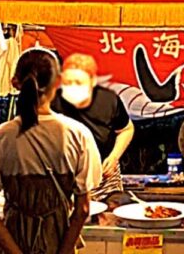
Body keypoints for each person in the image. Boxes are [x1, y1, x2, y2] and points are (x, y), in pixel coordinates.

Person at [0, 48, 102, 254]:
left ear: (15, 82)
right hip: (58, 241)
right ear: (58, 83)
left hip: (12, 243)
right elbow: (82, 210)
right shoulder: (79, 135)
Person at [52, 53, 135, 201]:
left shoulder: (109, 100)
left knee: (107, 218)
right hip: (64, 179)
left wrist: (114, 156)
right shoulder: (52, 101)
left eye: (78, 82)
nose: (72, 87)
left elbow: (126, 129)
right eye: (67, 82)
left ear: (92, 81)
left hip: (104, 179)